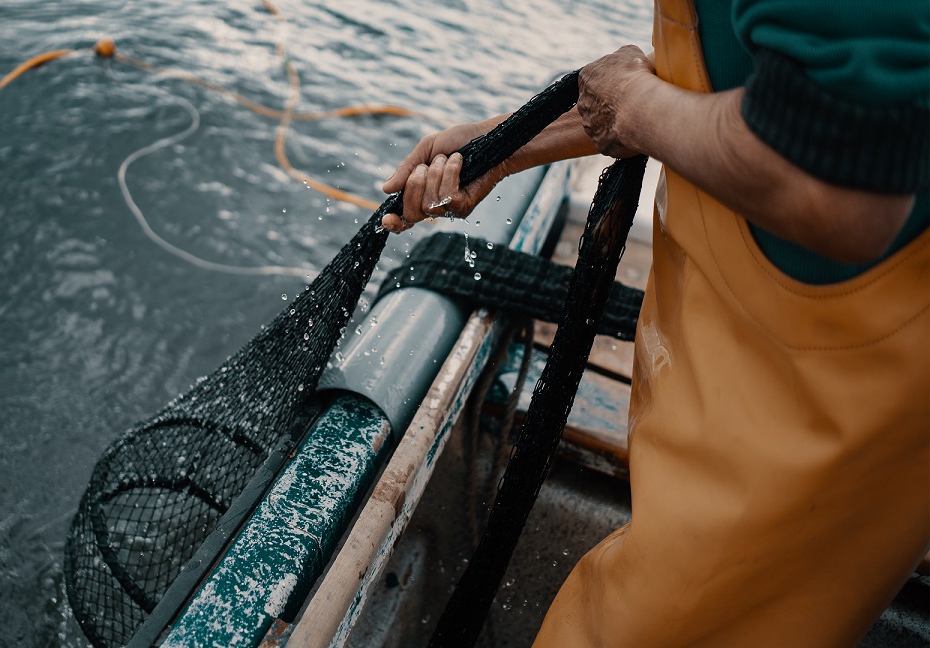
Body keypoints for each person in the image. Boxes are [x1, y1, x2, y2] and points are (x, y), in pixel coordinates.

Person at [381, 0, 928, 645]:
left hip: (827, 406)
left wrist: (636, 106)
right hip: (738, 375)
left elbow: (839, 182)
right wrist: (507, 145)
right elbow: (745, 89)